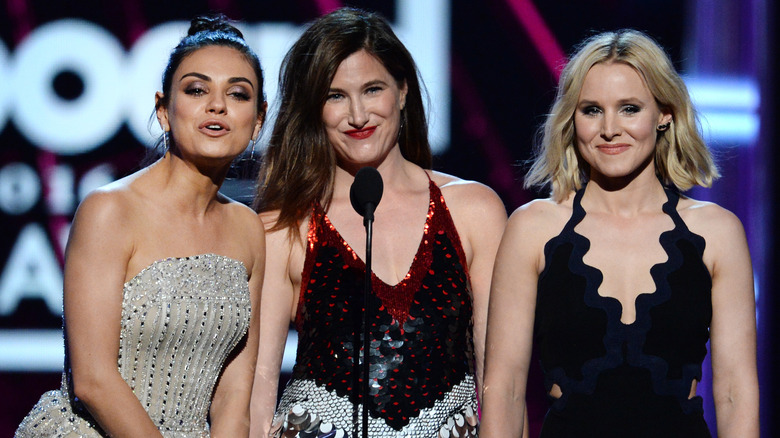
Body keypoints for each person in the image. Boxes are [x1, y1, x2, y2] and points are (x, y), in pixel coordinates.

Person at [479, 29, 759, 437]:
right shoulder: (532, 228)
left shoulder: (717, 232)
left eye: (629, 108)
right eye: (592, 110)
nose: (610, 129)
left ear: (664, 113)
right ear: (571, 119)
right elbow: (503, 390)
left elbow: (735, 391)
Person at [249, 7, 506, 438]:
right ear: (313, 109)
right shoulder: (283, 228)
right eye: (335, 96)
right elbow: (257, 385)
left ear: (402, 91)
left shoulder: (474, 211)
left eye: (372, 90)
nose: (358, 115)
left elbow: (500, 382)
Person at [15, 15, 267, 438]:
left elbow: (234, 398)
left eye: (237, 94)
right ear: (164, 110)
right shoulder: (110, 210)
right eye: (197, 89)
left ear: (257, 121)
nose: (217, 105)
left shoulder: (247, 229)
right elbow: (93, 380)